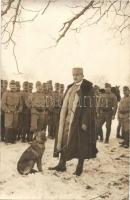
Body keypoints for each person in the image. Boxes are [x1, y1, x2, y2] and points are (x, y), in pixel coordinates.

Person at [49, 67, 98, 176]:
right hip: (67, 120)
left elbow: (90, 107)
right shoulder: (70, 87)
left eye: (77, 75)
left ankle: (79, 167)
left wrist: (85, 122)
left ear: (82, 75)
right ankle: (61, 165)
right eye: (74, 75)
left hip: (79, 121)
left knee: (81, 144)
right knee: (63, 140)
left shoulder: (87, 88)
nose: (75, 77)